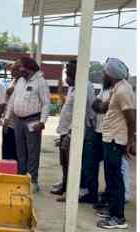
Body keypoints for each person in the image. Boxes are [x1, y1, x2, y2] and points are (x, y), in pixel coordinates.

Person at [94, 58, 135, 229]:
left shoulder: (123, 90)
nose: (103, 74)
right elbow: (106, 108)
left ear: (111, 74)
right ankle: (112, 210)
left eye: (105, 71)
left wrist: (131, 141)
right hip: (110, 138)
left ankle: (118, 218)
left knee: (115, 179)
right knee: (111, 178)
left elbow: (132, 119)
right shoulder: (116, 88)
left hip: (115, 140)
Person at [52, 60, 98, 203]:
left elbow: (88, 110)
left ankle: (73, 191)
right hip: (65, 130)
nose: (66, 72)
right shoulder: (73, 86)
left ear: (78, 70)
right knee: (65, 162)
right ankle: (65, 186)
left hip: (77, 131)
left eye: (69, 69)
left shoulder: (86, 86)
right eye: (66, 69)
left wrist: (79, 131)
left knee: (73, 163)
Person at [4, 57, 50, 193]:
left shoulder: (40, 82)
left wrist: (42, 121)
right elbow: (12, 101)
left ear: (28, 68)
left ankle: (33, 181)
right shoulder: (20, 81)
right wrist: (7, 117)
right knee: (20, 152)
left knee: (32, 152)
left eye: (21, 67)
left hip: (33, 121)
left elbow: (46, 103)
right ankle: (21, 178)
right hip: (18, 120)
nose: (19, 70)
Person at [2, 61, 23, 161]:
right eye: (12, 69)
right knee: (6, 151)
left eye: (15, 69)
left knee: (14, 151)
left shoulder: (22, 83)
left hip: (15, 123)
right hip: (8, 120)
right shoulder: (13, 81)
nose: (12, 71)